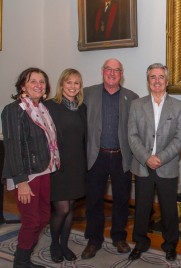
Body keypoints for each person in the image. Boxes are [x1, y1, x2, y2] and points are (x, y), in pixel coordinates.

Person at [127, 63, 181, 262]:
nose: (157, 81)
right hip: (143, 166)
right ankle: (140, 243)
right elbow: (132, 136)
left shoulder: (179, 107)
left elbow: (180, 138)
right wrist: (146, 158)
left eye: (161, 77)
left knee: (169, 210)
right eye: (153, 77)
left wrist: (160, 158)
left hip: (166, 166)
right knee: (142, 209)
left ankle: (170, 245)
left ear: (167, 81)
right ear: (148, 81)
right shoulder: (136, 105)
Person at [1, 68, 60, 268]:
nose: (38, 85)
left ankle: (25, 253)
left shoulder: (42, 108)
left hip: (44, 169)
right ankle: (21, 262)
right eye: (32, 81)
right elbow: (13, 146)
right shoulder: (14, 109)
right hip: (27, 175)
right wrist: (21, 181)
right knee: (31, 220)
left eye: (42, 81)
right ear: (23, 86)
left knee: (43, 216)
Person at [81, 58, 139, 259]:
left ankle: (118, 237)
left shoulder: (132, 97)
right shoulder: (87, 93)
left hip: (121, 157)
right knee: (94, 200)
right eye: (108, 69)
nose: (112, 73)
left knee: (122, 199)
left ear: (122, 74)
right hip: (96, 156)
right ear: (102, 71)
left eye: (117, 70)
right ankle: (94, 239)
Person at [44, 69, 87, 263]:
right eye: (69, 82)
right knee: (61, 209)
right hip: (58, 166)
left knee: (70, 208)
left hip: (77, 165)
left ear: (80, 87)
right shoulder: (49, 106)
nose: (72, 86)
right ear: (61, 84)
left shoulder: (82, 107)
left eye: (76, 83)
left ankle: (64, 245)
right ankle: (54, 244)